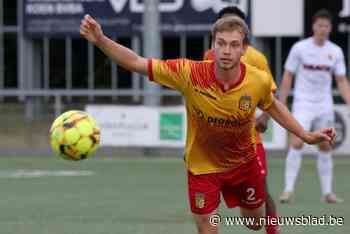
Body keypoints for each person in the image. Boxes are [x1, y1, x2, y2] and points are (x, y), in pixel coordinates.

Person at [80, 14, 336, 233]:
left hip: (243, 165)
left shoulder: (257, 80)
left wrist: (304, 134)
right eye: (221, 43)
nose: (226, 51)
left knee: (255, 223)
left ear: (244, 49)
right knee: (207, 227)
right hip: (203, 169)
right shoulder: (189, 73)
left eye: (234, 45)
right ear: (213, 45)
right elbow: (136, 62)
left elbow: (272, 105)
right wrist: (101, 40)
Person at [204, 6, 279, 234]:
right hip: (216, 146)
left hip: (249, 141)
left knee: (263, 192)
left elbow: (270, 93)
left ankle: (273, 230)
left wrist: (265, 116)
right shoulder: (209, 56)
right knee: (207, 198)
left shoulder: (256, 57)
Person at [279, 9, 350, 204]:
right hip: (303, 103)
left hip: (324, 105)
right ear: (313, 26)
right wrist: (282, 103)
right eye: (320, 25)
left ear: (330, 28)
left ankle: (327, 193)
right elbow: (288, 75)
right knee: (297, 142)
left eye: (326, 26)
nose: (323, 29)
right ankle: (288, 190)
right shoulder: (300, 48)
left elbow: (342, 80)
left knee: (326, 145)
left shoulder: (335, 51)